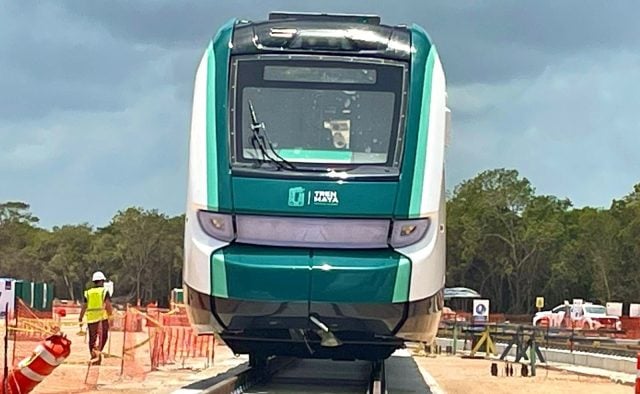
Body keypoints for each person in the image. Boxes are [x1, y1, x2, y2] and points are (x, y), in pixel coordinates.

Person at [79, 271, 113, 363]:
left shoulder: (88, 292)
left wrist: (80, 317)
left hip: (91, 319)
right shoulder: (104, 291)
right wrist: (111, 316)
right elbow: (108, 305)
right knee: (104, 337)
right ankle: (97, 352)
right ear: (102, 281)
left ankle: (93, 355)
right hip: (102, 319)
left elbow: (84, 306)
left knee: (92, 339)